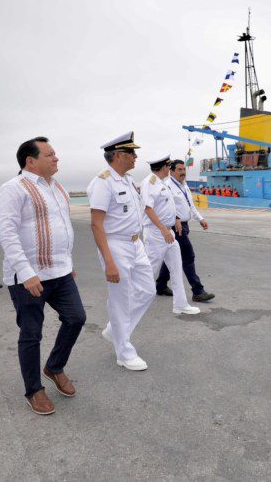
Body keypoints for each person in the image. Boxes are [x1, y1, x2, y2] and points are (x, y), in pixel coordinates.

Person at [0, 137, 85, 415]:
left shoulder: (57, 188)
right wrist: (26, 272)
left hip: (60, 272)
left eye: (55, 153)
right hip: (29, 278)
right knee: (31, 333)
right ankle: (34, 390)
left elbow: (61, 228)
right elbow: (6, 233)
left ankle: (54, 367)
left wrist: (67, 262)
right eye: (50, 154)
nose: (56, 158)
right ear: (30, 161)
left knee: (76, 318)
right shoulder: (13, 189)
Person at [86, 131, 155, 371]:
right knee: (120, 300)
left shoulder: (126, 180)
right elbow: (96, 224)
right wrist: (109, 261)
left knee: (148, 291)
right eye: (131, 152)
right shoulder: (103, 182)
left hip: (135, 243)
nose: (136, 157)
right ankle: (124, 352)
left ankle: (114, 330)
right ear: (118, 155)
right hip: (115, 245)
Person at [139, 154, 200, 315]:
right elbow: (148, 208)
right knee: (149, 271)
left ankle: (180, 305)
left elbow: (166, 207)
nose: (170, 168)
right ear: (165, 167)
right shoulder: (150, 183)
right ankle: (131, 304)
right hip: (156, 233)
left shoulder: (161, 183)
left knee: (176, 268)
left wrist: (175, 220)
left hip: (168, 231)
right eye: (169, 166)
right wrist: (163, 229)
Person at [157, 159, 215, 303]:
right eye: (179, 170)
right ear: (171, 171)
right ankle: (198, 291)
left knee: (172, 256)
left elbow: (190, 205)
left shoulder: (184, 185)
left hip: (184, 225)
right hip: (176, 226)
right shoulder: (167, 186)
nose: (183, 172)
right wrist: (175, 220)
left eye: (184, 170)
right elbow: (166, 208)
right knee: (188, 256)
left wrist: (200, 219)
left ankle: (161, 285)